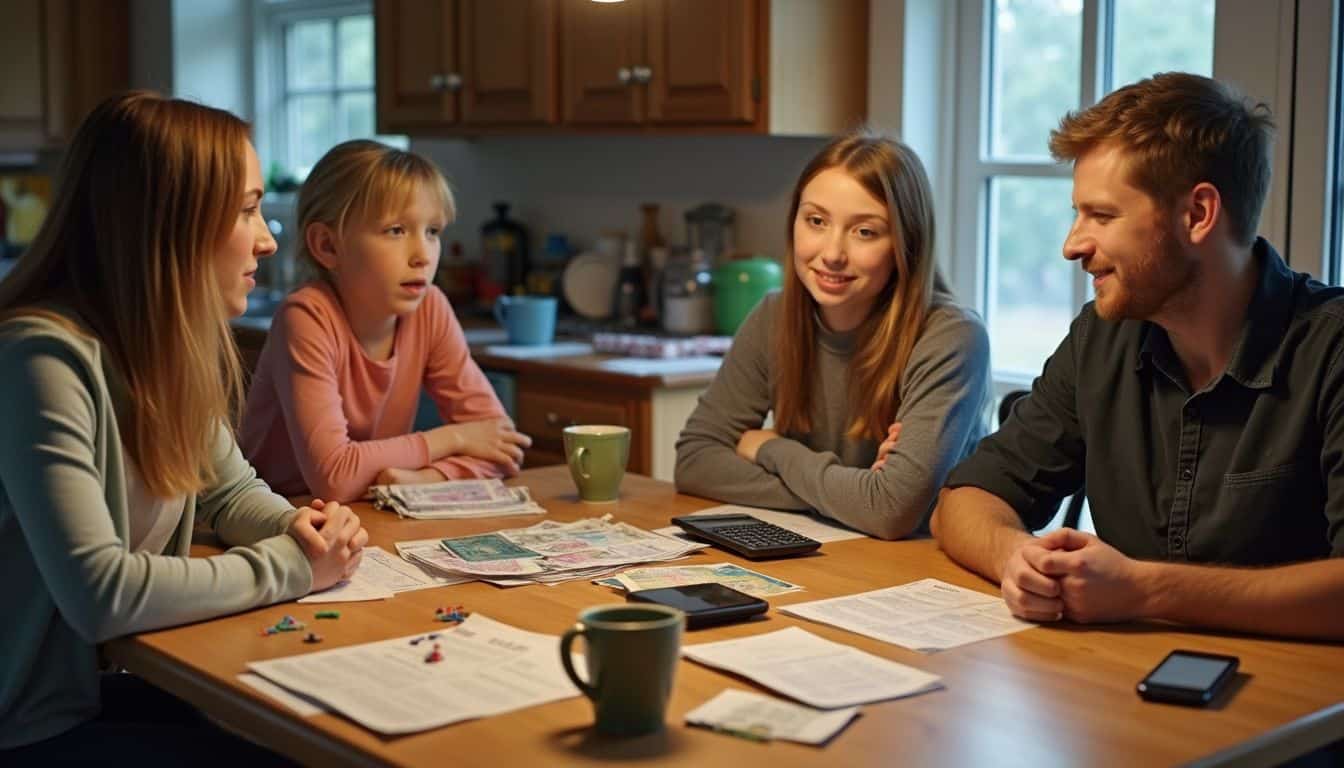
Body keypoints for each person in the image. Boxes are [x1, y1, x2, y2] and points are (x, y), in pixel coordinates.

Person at [0, 91, 366, 760]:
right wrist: (294, 566)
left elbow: (227, 494)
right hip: (32, 722)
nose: (267, 239)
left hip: (103, 688)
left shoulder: (160, 346)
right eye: (247, 211)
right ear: (167, 224)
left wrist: (298, 527)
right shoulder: (41, 360)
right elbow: (102, 594)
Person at [933, 72, 1344, 640]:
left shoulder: (1331, 349)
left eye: (1101, 216)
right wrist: (1017, 559)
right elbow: (964, 500)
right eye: (1077, 214)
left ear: (1198, 214)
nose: (1072, 245)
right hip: (1121, 679)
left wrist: (1146, 590)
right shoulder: (1102, 338)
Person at [674, 130, 991, 540]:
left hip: (919, 566)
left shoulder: (952, 337)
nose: (832, 254)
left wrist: (771, 448)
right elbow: (695, 461)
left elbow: (890, 511)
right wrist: (854, 494)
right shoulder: (774, 315)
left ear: (906, 243)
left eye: (865, 232)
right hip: (822, 553)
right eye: (816, 221)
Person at [240, 140, 530, 502]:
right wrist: (454, 438)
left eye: (432, 232)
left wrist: (425, 479)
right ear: (328, 246)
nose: (423, 255)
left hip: (366, 510)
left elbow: (501, 444)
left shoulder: (430, 308)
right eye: (396, 230)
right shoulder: (306, 317)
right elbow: (334, 478)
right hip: (281, 515)